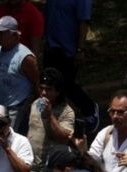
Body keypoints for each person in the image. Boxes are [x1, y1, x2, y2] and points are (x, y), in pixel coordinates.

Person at [43, 0, 98, 133]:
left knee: (67, 84)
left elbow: (83, 21)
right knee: (51, 83)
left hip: (68, 48)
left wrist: (80, 49)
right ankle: (57, 118)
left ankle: (90, 109)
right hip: (51, 46)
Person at [0, 16, 40, 135]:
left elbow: (36, 82)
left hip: (15, 105)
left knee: (8, 136)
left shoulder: (25, 57)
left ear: (14, 35)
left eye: (2, 33)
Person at [27, 67, 75, 172]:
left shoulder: (67, 112)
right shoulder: (35, 104)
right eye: (41, 88)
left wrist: (50, 116)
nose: (43, 93)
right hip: (32, 166)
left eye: (48, 89)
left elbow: (63, 138)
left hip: (51, 170)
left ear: (58, 91)